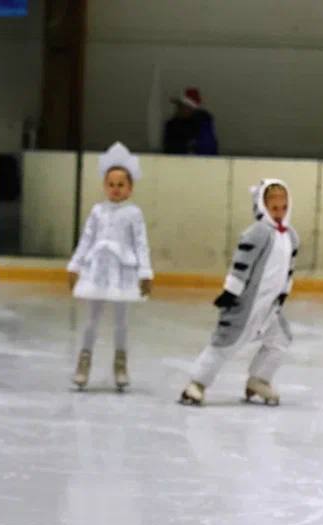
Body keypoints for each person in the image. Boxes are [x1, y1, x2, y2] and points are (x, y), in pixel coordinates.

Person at [180, 179, 297, 406]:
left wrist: (284, 292)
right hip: (247, 303)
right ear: (263, 207)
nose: (280, 213)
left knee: (281, 339)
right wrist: (231, 291)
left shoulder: (291, 236)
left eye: (283, 207)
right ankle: (197, 383)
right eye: (274, 208)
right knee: (226, 342)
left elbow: (289, 269)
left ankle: (259, 379)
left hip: (270, 306)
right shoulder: (258, 232)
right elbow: (241, 263)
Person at [68, 142, 153, 391]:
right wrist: (75, 265)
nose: (115, 189)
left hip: (123, 274)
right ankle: (84, 362)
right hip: (98, 271)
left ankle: (120, 364)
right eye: (111, 184)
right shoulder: (97, 211)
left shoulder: (134, 214)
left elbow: (141, 244)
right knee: (91, 320)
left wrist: (145, 273)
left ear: (130, 187)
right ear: (104, 185)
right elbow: (86, 239)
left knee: (121, 322)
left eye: (121, 185)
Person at [163, 87, 218, 155]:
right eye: (179, 106)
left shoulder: (203, 124)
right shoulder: (172, 125)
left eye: (181, 106)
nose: (178, 109)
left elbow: (207, 149)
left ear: (191, 108)